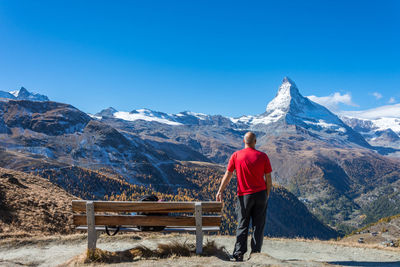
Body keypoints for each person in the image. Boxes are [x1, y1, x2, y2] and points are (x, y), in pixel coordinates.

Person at [216, 131, 272, 262]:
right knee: (258, 225)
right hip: (261, 194)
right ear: (255, 142)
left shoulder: (236, 155)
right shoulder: (263, 156)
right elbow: (268, 178)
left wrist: (220, 190)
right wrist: (267, 193)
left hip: (244, 196)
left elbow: (228, 175)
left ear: (244, 142)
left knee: (242, 224)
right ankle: (256, 253)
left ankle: (239, 253)